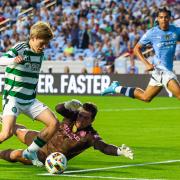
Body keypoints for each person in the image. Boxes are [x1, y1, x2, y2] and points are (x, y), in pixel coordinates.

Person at [0, 99, 133, 166]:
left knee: (16, 154)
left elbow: (104, 147)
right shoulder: (71, 117)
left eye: (86, 117)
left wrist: (119, 151)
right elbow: (59, 108)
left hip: (45, 157)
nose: (81, 119)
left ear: (92, 120)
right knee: (16, 130)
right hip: (42, 139)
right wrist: (68, 104)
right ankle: (4, 119)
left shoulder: (90, 136)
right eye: (81, 115)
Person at [0, 21, 59, 165]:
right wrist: (13, 60)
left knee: (54, 123)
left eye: (46, 43)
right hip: (13, 98)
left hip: (30, 100)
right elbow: (1, 60)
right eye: (42, 42)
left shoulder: (40, 54)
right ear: (33, 37)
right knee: (6, 133)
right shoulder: (20, 48)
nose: (44, 46)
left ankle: (30, 151)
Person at [102, 7, 180, 102]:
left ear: (170, 18)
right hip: (162, 70)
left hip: (163, 71)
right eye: (161, 17)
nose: (164, 19)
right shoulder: (152, 33)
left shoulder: (176, 31)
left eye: (166, 17)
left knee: (145, 97)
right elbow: (136, 48)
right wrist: (146, 64)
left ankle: (116, 88)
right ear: (158, 19)